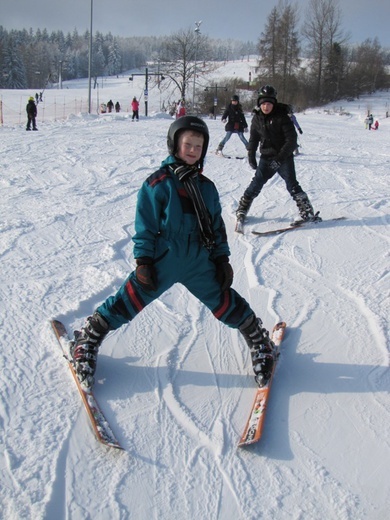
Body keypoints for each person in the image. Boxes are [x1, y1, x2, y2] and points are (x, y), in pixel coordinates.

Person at [70, 116, 277, 391]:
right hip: (164, 258)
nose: (192, 150)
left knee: (224, 301)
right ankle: (90, 336)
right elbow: (145, 226)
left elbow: (216, 227)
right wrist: (144, 262)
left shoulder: (207, 187)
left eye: (198, 146)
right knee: (128, 301)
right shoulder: (158, 183)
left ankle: (258, 338)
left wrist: (221, 259)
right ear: (174, 144)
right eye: (187, 144)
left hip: (198, 260)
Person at [236, 85, 319, 223]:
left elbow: (292, 140)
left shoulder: (282, 116)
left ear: (273, 103)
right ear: (259, 103)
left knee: (292, 184)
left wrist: (280, 159)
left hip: (284, 156)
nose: (266, 106)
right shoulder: (257, 118)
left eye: (269, 103)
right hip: (266, 157)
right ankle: (242, 208)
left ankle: (307, 211)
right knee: (256, 183)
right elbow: (254, 137)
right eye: (263, 103)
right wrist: (251, 153)